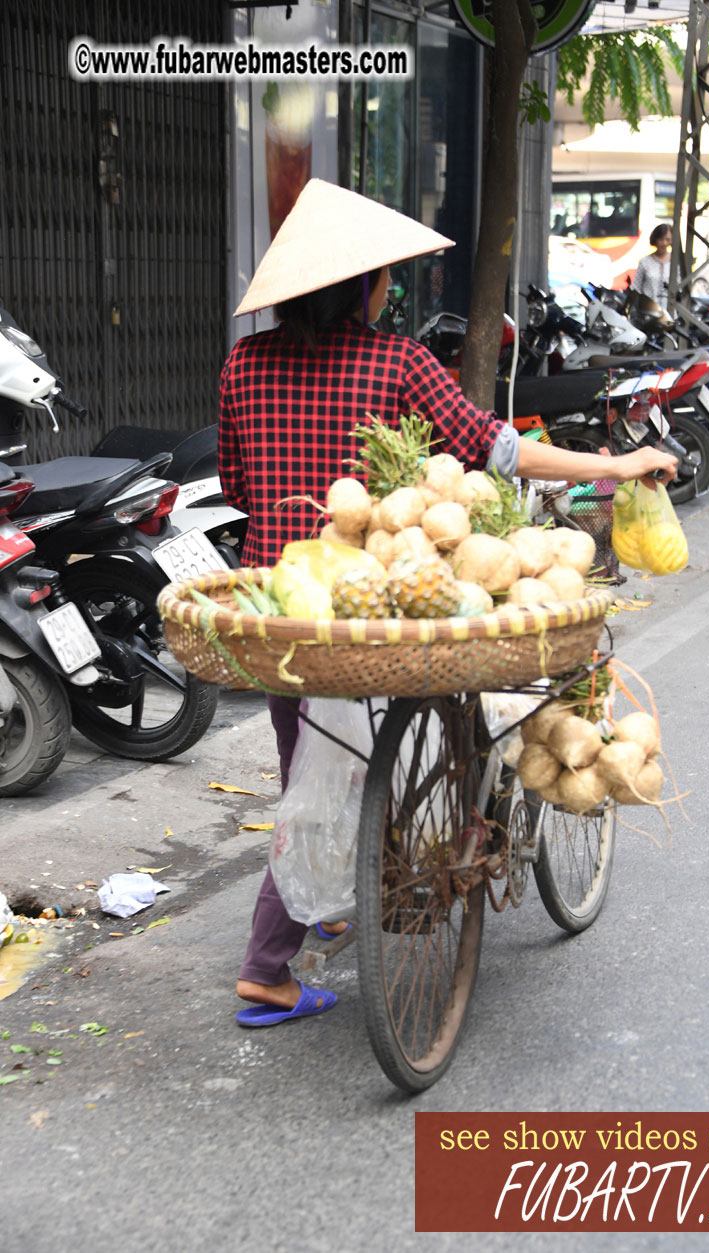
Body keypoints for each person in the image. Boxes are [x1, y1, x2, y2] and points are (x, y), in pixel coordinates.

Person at [217, 179, 679, 1029]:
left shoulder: (243, 363)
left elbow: (238, 486)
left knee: (310, 770)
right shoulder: (394, 362)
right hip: (376, 606)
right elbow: (497, 450)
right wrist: (613, 465)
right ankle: (265, 968)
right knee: (347, 776)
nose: (388, 290)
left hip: (279, 610)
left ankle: (344, 890)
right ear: (363, 287)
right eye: (384, 278)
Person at [631, 223, 672, 305]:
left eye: (667, 240)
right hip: (648, 308)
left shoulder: (675, 263)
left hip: (670, 309)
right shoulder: (645, 262)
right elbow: (636, 288)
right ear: (655, 239)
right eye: (661, 239)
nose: (664, 243)